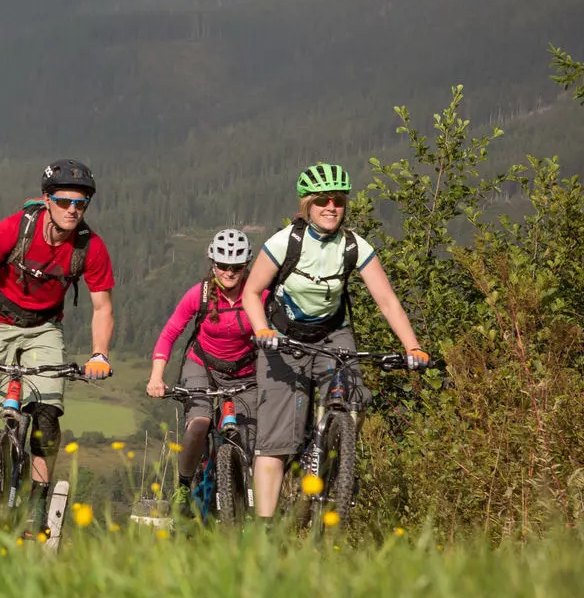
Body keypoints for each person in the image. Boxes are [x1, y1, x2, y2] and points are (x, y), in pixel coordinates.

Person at [0, 159, 115, 536]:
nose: (73, 210)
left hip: (44, 328)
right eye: (64, 202)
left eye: (81, 204)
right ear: (47, 200)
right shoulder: (16, 229)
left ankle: (37, 504)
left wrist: (99, 354)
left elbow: (102, 307)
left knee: (46, 414)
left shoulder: (90, 247)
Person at [239, 162, 431, 519]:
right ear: (307, 205)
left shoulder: (354, 246)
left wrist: (412, 346)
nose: (331, 207)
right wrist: (262, 330)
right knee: (275, 442)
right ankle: (263, 531)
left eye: (338, 201)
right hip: (284, 337)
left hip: (333, 333)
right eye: (323, 200)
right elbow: (251, 292)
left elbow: (387, 301)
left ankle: (333, 465)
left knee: (353, 401)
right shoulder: (285, 242)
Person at [146, 229, 262, 503]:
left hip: (246, 373)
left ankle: (244, 502)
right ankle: (184, 486)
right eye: (223, 265)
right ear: (213, 264)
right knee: (199, 425)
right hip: (203, 367)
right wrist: (156, 377)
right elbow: (169, 333)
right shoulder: (200, 294)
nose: (229, 272)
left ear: (246, 265)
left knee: (250, 441)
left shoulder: (258, 294)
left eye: (237, 267)